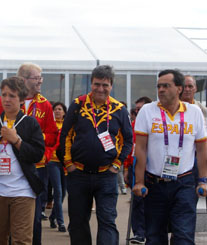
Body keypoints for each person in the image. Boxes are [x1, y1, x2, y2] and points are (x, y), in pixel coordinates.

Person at [60, 65, 133, 245]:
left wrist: (117, 164)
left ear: (111, 85)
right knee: (77, 222)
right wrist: (68, 164)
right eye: (97, 84)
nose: (100, 89)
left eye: (105, 85)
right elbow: (65, 135)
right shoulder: (78, 105)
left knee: (107, 221)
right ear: (91, 84)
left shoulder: (119, 109)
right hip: (78, 174)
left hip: (106, 176)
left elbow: (128, 140)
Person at [133, 69, 207, 244]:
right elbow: (141, 148)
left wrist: (203, 179)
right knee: (154, 236)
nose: (161, 90)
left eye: (166, 86)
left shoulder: (194, 112)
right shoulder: (147, 111)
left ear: (179, 88)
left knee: (183, 236)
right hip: (154, 183)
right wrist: (139, 181)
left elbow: (202, 148)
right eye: (159, 86)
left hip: (184, 183)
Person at [0, 63, 57, 245]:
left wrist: (43, 151)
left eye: (40, 78)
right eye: (37, 78)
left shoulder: (45, 105)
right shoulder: (1, 102)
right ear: (23, 80)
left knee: (33, 220)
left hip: (36, 168)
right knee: (2, 228)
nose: (40, 82)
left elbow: (52, 136)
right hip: (5, 172)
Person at [0, 76, 45, 244]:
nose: (6, 99)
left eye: (12, 96)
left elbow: (38, 154)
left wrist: (17, 141)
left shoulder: (30, 123)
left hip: (23, 192)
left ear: (22, 99)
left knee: (21, 241)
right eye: (4, 94)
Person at [123, 96, 152, 244]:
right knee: (137, 201)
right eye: (136, 109)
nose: (138, 111)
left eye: (141, 109)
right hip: (135, 166)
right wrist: (127, 169)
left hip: (152, 168)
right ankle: (139, 233)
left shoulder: (155, 123)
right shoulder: (132, 125)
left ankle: (150, 232)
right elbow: (130, 147)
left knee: (151, 203)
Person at [47, 102, 67, 232]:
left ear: (64, 112)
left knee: (63, 193)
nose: (57, 111)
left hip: (65, 163)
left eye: (60, 109)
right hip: (52, 162)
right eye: (55, 109)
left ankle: (53, 216)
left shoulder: (68, 125)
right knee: (58, 191)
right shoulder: (51, 126)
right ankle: (61, 223)